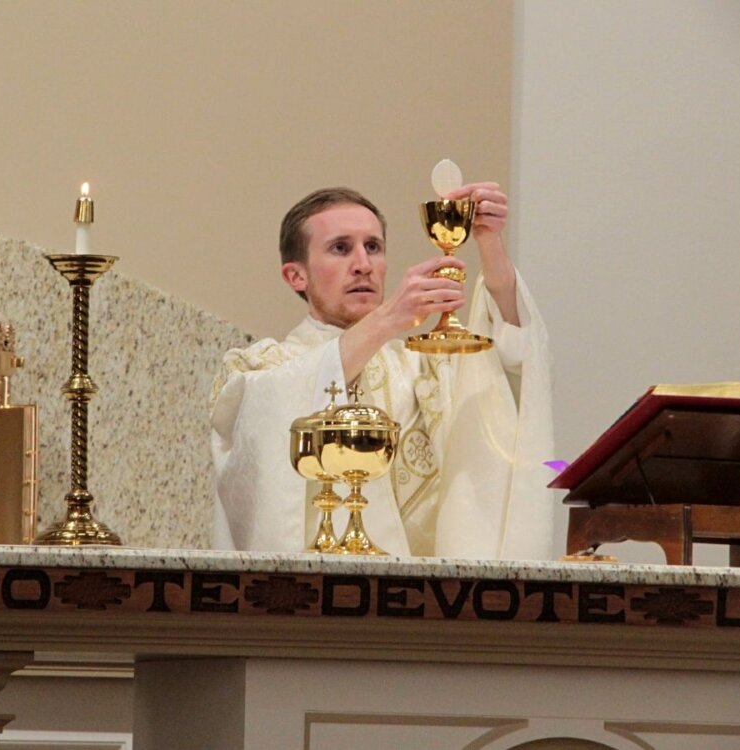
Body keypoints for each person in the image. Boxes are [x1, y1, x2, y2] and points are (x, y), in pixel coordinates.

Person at [209, 184, 556, 558]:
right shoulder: (261, 367)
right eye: (340, 248)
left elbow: (511, 366)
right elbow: (260, 434)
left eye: (373, 247)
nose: (363, 264)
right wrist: (390, 318)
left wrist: (490, 246)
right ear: (296, 276)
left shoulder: (423, 369)